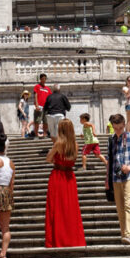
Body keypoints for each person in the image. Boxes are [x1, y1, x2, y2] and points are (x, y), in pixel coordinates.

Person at [45, 118, 86, 247]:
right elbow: (73, 160)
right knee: (71, 209)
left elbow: (48, 159)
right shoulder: (75, 145)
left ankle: (57, 239)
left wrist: (56, 160)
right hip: (69, 177)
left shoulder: (58, 144)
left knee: (56, 208)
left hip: (58, 176)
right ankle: (73, 238)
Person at [106, 113, 130, 245]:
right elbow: (109, 160)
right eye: (115, 128)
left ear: (124, 125)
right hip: (115, 177)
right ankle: (124, 234)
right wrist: (107, 179)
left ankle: (129, 235)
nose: (118, 131)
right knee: (120, 207)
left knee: (128, 204)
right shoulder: (111, 139)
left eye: (120, 128)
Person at [33, 74, 52, 138]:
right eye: (43, 78)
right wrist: (36, 105)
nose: (44, 80)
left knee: (45, 122)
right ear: (40, 79)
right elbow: (35, 95)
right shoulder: (37, 86)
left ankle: (45, 134)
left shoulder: (48, 88)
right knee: (37, 121)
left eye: (45, 79)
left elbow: (50, 97)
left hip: (46, 108)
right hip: (39, 107)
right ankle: (36, 135)